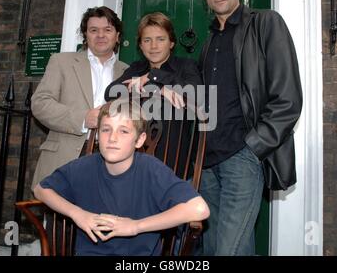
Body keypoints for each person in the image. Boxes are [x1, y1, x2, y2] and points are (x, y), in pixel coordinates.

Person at [198, 0, 302, 256]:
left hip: (241, 159)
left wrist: (253, 148)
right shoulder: (209, 43)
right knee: (217, 250)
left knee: (227, 252)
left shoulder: (266, 23)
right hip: (206, 165)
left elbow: (288, 99)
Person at [33, 99, 210, 256]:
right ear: (97, 136)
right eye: (106, 130)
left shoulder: (151, 170)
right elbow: (41, 189)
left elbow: (199, 208)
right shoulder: (83, 167)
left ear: (140, 140)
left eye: (124, 131)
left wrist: (135, 226)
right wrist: (77, 214)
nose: (112, 138)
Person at [31, 6, 128, 189]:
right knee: (58, 218)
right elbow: (40, 103)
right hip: (66, 158)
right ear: (85, 35)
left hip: (112, 160)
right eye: (93, 30)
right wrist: (83, 118)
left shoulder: (128, 71)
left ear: (117, 36)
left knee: (102, 216)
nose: (101, 35)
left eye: (107, 30)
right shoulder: (61, 62)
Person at [104, 12, 202, 167]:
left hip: (174, 164)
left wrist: (153, 76)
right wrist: (159, 89)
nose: (154, 46)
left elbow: (196, 95)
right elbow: (111, 92)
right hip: (134, 162)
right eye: (147, 40)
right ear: (141, 45)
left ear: (171, 43)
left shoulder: (186, 66)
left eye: (160, 39)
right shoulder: (136, 68)